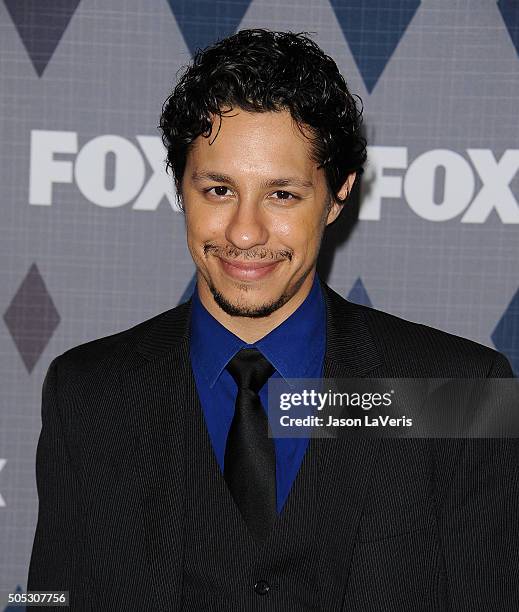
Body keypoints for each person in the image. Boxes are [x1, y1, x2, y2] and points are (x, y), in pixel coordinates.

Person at [27, 28, 518, 611]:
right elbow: (48, 598)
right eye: (218, 190)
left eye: (282, 195)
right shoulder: (89, 391)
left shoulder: (456, 392)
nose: (244, 232)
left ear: (337, 196)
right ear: (182, 188)